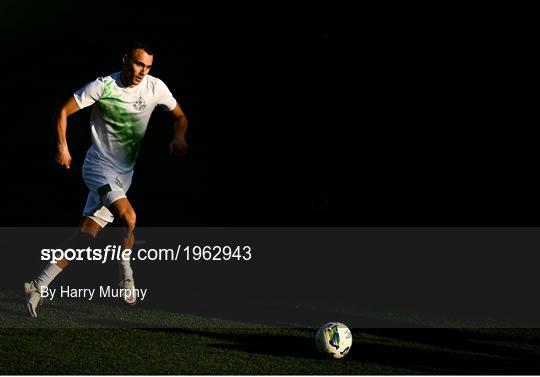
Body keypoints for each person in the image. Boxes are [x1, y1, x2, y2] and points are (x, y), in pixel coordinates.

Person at [24, 41, 188, 317]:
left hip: (125, 175)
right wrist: (63, 146)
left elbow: (180, 116)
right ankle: (126, 273)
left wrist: (180, 136)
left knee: (85, 237)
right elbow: (63, 112)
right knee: (130, 218)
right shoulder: (104, 86)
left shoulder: (155, 88)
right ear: (125, 60)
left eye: (147, 66)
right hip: (98, 168)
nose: (142, 71)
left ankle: (38, 284)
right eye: (138, 64)